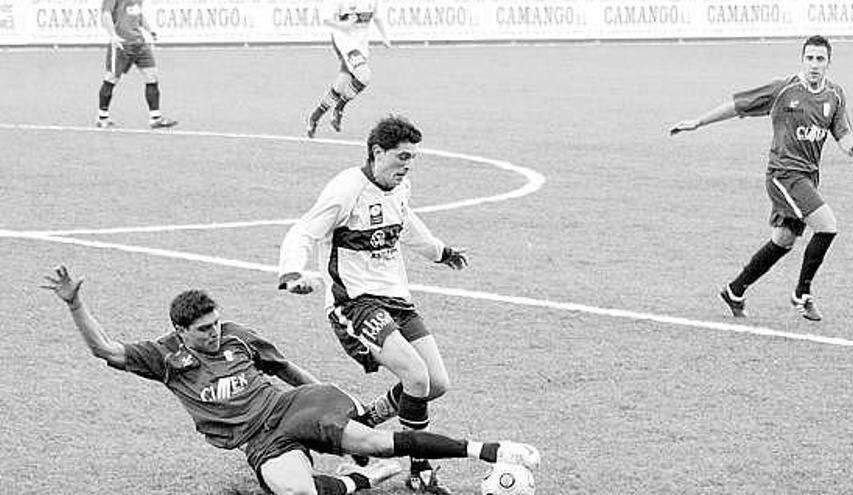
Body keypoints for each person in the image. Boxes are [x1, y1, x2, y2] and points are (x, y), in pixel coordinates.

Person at [41, 265, 539, 495]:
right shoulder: (163, 357)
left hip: (292, 408)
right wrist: (75, 304)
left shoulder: (238, 336)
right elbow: (105, 350)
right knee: (296, 493)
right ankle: (367, 476)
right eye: (204, 330)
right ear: (181, 331)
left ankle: (491, 451)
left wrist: (327, 398)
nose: (216, 334)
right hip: (257, 441)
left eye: (217, 323)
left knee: (372, 437)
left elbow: (284, 370)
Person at [278, 115, 469, 493]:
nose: (408, 165)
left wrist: (439, 252)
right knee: (415, 376)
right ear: (377, 152)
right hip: (355, 304)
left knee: (437, 383)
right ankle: (420, 468)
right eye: (401, 157)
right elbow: (303, 231)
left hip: (397, 300)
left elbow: (405, 221)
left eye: (412, 158)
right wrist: (292, 272)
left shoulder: (401, 186)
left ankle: (363, 423)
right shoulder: (346, 190)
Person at [669, 35, 853, 321]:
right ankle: (802, 293)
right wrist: (698, 122)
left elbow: (841, 130)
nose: (814, 64)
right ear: (802, 59)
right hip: (783, 174)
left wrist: (851, 148)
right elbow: (739, 105)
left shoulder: (834, 95)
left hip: (807, 177)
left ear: (829, 63)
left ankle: (734, 291)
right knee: (827, 226)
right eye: (809, 58)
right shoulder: (783, 89)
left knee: (784, 240)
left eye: (820, 59)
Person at [306, 0, 391, 138]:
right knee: (364, 76)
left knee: (340, 86)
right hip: (344, 41)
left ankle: (314, 117)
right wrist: (344, 25)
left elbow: (377, 17)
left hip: (361, 45)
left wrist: (385, 37)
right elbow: (327, 19)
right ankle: (339, 109)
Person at [97, 0, 177, 129]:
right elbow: (106, 15)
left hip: (140, 43)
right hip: (122, 44)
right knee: (111, 79)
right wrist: (113, 36)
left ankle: (155, 118)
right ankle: (102, 117)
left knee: (152, 77)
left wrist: (150, 30)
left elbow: (138, 15)